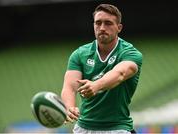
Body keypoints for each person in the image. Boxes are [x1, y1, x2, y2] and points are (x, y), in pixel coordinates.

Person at [61, 3, 143, 134]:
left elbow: (120, 73)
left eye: (108, 23)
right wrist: (70, 107)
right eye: (98, 23)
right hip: (83, 129)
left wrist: (96, 85)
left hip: (118, 128)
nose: (102, 28)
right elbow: (70, 87)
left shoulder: (131, 53)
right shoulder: (79, 54)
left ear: (119, 28)